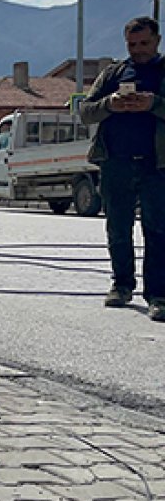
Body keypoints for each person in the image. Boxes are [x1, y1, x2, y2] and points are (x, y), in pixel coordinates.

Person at [78, 16, 165, 322]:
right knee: (118, 228)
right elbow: (85, 112)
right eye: (132, 44)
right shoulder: (113, 74)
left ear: (157, 41)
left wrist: (153, 104)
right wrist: (110, 105)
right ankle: (121, 285)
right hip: (116, 162)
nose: (138, 50)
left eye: (144, 43)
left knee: (158, 230)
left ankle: (158, 295)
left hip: (157, 165)